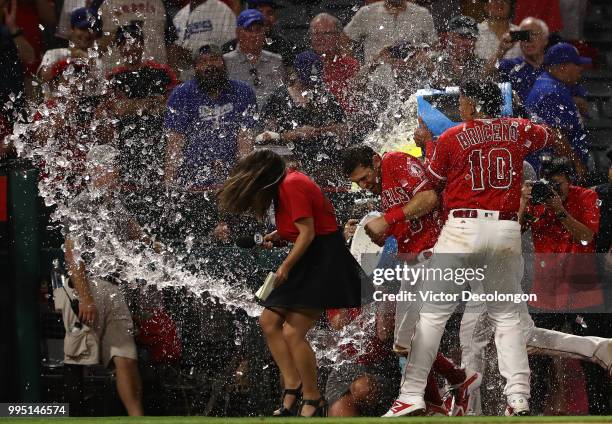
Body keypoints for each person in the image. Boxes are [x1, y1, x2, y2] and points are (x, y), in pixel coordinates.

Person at [367, 81, 553, 416]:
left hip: (463, 227)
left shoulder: (452, 137)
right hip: (505, 228)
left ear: (469, 104)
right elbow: (545, 134)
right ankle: (519, 397)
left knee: (432, 315)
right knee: (507, 317)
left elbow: (432, 190)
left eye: (462, 103)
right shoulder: (518, 129)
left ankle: (411, 395)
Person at [217, 149, 369, 417]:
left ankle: (312, 398)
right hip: (310, 260)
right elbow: (301, 228)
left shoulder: (292, 183)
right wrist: (278, 235)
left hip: (324, 262)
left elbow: (309, 233)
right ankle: (293, 383)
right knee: (268, 322)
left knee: (292, 333)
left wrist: (285, 265)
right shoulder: (284, 185)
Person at [341, 145, 483, 417]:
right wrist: (388, 231)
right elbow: (409, 218)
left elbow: (429, 198)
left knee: (415, 339)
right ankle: (450, 388)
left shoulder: (394, 161)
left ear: (375, 160)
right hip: (413, 263)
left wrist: (389, 220)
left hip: (436, 255)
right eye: (357, 182)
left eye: (364, 177)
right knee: (403, 344)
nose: (363, 185)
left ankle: (422, 398)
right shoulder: (382, 188)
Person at [519, 156, 610, 415]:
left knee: (593, 363)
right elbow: (513, 233)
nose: (553, 190)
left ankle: (600, 415)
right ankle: (532, 415)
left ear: (569, 181)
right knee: (535, 360)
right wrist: (525, 202)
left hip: (583, 291)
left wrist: (559, 210)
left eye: (558, 184)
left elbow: (587, 237)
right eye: (549, 184)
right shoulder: (536, 200)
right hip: (546, 291)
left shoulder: (586, 198)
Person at [61, 144, 145, 416]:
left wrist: (156, 247)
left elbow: (136, 234)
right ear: (92, 170)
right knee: (77, 358)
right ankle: (70, 416)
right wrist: (85, 298)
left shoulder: (116, 204)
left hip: (114, 288)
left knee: (126, 356)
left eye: (114, 168)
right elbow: (74, 257)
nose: (112, 173)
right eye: (106, 168)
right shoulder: (80, 205)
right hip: (89, 286)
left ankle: (138, 418)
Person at [99, 23, 178, 216]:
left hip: (159, 142)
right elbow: (114, 110)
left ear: (142, 44)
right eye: (125, 43)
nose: (131, 47)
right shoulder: (112, 77)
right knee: (130, 198)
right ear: (118, 48)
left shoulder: (161, 71)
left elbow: (173, 105)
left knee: (160, 195)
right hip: (126, 145)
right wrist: (151, 102)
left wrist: (131, 106)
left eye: (134, 42)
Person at [259, 51, 349, 211]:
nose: (310, 85)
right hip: (291, 165)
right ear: (296, 73)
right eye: (306, 79)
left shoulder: (325, 95)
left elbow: (343, 128)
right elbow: (265, 137)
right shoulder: (279, 98)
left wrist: (319, 130)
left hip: (325, 166)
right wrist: (295, 133)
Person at [525, 42, 591, 179]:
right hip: (553, 171)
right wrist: (577, 164)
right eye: (577, 65)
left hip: (551, 166)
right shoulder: (552, 92)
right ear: (562, 67)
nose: (580, 69)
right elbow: (556, 135)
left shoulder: (550, 84)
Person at [344, 0, 437, 90]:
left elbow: (435, 50)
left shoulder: (422, 14)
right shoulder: (366, 13)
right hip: (374, 85)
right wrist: (369, 62)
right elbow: (344, 43)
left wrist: (423, 57)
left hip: (412, 85)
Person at [223, 9, 284, 109]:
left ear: (264, 32)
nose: (254, 35)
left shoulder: (276, 61)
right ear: (238, 32)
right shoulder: (226, 62)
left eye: (258, 30)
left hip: (271, 119)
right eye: (248, 30)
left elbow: (282, 96)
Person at [309, 13, 360, 112]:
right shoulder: (304, 62)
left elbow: (350, 110)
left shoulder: (349, 66)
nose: (320, 38)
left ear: (338, 36)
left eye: (326, 33)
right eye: (315, 33)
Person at [38, 7, 103, 84]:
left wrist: (86, 59)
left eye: (91, 29)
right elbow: (43, 77)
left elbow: (99, 83)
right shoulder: (54, 54)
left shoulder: (97, 61)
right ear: (72, 29)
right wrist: (67, 60)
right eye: (82, 29)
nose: (87, 34)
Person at [222, 0, 296, 67]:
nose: (265, 18)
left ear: (275, 17)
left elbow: (290, 76)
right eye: (260, 12)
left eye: (270, 13)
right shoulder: (229, 48)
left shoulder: (283, 45)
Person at [97, 0, 168, 67]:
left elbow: (168, 39)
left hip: (156, 64)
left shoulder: (157, 3)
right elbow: (105, 41)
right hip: (118, 68)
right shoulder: (109, 4)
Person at [431, 15, 487, 88]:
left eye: (469, 38)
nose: (465, 43)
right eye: (461, 37)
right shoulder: (435, 64)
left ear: (475, 40)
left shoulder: (483, 65)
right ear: (449, 37)